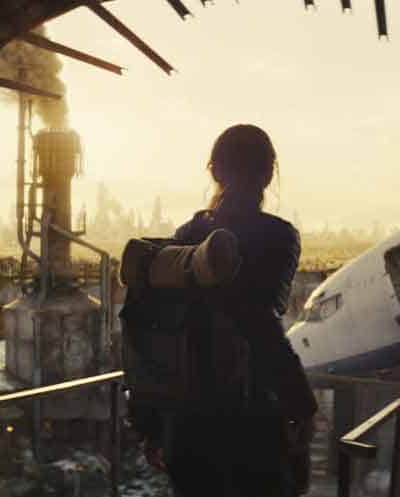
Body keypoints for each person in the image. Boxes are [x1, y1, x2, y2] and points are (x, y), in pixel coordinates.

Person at [132, 124, 318, 496]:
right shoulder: (278, 236)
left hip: (185, 426)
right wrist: (302, 403)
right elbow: (262, 324)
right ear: (268, 173)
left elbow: (151, 331)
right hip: (252, 425)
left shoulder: (184, 238)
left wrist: (151, 426)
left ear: (214, 171)